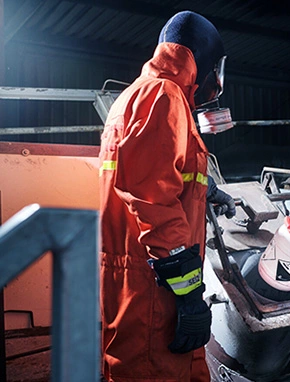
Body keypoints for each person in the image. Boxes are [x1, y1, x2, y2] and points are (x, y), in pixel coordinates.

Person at [99, 11, 235, 382]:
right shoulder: (162, 95)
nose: (217, 82)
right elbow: (150, 201)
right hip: (155, 285)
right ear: (203, 58)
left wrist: (203, 192)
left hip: (151, 275)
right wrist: (190, 293)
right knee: (151, 372)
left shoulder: (145, 94)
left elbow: (158, 176)